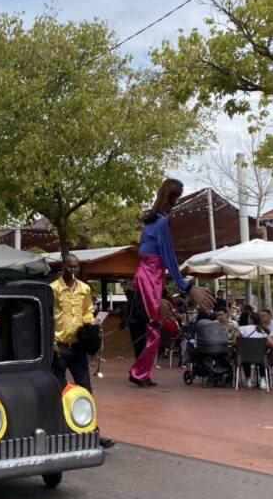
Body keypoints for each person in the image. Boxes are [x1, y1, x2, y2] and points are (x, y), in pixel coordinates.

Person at [128, 179, 215, 388]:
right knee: (155, 328)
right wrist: (186, 286)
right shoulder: (161, 222)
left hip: (149, 277)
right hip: (149, 276)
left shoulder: (153, 221)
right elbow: (168, 256)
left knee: (153, 328)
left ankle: (141, 373)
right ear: (175, 198)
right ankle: (139, 373)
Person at [50, 254, 114, 449]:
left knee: (85, 389)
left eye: (76, 267)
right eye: (69, 267)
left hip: (77, 348)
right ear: (63, 267)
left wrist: (91, 338)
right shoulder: (53, 289)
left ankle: (90, 430)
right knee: (57, 390)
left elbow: (88, 313)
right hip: (59, 346)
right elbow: (49, 315)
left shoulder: (85, 289)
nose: (73, 270)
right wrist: (51, 341)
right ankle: (58, 430)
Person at [237, 311, 273, 389]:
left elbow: (236, 342)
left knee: (244, 353)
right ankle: (263, 380)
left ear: (251, 320)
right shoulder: (263, 332)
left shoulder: (242, 329)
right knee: (263, 354)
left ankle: (248, 379)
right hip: (260, 358)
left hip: (244, 357)